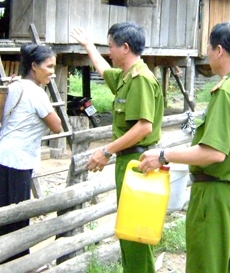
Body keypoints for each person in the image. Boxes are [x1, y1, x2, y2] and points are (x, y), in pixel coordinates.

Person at [138, 22, 230, 273]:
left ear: (219, 50)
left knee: (205, 265)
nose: (208, 54)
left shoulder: (229, 91)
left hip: (216, 195)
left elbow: (213, 152)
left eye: (208, 48)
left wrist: (163, 155)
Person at [70, 22, 164, 273]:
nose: (109, 52)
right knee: (128, 229)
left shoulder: (141, 79)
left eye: (110, 46)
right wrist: (89, 46)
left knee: (135, 231)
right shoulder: (125, 76)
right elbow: (102, 69)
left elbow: (144, 127)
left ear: (125, 47)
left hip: (138, 163)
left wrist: (106, 150)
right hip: (130, 162)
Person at [0, 43, 62, 263]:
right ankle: (19, 264)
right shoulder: (36, 93)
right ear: (34, 66)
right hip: (16, 161)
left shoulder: (14, 85)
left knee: (0, 215)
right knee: (16, 217)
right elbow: (57, 126)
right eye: (49, 66)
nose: (53, 72)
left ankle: (2, 262)